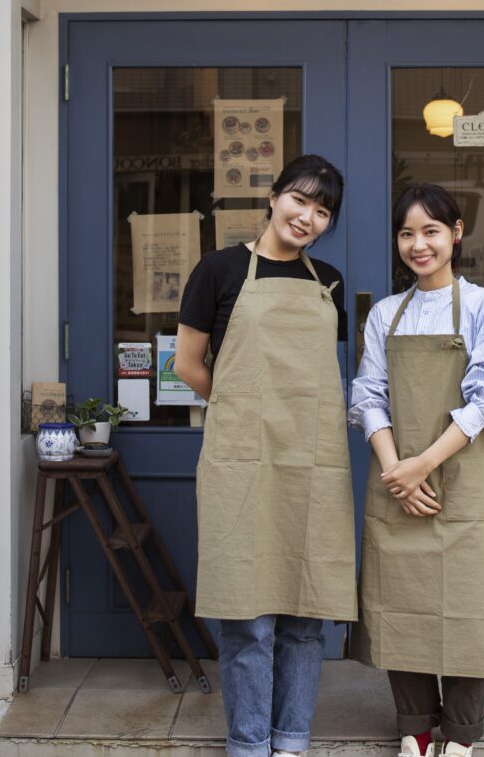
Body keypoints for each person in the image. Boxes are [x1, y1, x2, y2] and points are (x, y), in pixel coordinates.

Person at [174, 154, 355, 757]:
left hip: (312, 464)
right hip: (241, 462)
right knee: (246, 616)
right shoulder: (218, 270)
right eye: (299, 200)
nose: (307, 217)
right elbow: (187, 365)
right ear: (274, 197)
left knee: (306, 615)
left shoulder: (327, 281)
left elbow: (316, 376)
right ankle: (250, 743)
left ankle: (292, 738)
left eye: (322, 210)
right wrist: (239, 409)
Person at [349, 183, 484, 757]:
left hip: (464, 479)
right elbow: (368, 395)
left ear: (456, 233)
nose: (418, 245)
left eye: (430, 231)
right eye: (406, 233)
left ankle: (462, 737)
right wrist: (395, 468)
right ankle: (415, 730)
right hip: (397, 477)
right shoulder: (384, 315)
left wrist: (421, 463)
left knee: (468, 606)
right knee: (401, 603)